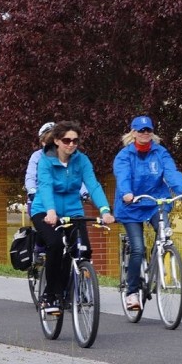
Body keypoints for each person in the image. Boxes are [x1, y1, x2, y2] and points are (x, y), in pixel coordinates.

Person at [31, 121, 115, 314]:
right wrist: (50, 211)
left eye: (75, 141)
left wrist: (104, 210)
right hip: (44, 210)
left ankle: (69, 291)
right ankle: (50, 295)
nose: (71, 144)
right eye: (67, 140)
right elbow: (45, 186)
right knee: (56, 244)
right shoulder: (45, 160)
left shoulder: (82, 160)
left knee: (81, 249)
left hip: (73, 211)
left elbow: (93, 185)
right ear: (57, 141)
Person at [114, 116, 182, 310]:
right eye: (140, 131)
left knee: (164, 235)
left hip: (155, 203)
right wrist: (126, 193)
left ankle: (158, 264)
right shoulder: (124, 156)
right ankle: (132, 292)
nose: (144, 134)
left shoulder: (160, 152)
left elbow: (171, 172)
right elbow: (122, 175)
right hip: (131, 206)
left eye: (148, 130)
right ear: (133, 133)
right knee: (138, 248)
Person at [25, 122, 56, 215]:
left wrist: (84, 193)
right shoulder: (37, 157)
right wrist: (32, 191)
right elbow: (30, 177)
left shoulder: (66, 156)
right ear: (42, 142)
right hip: (39, 202)